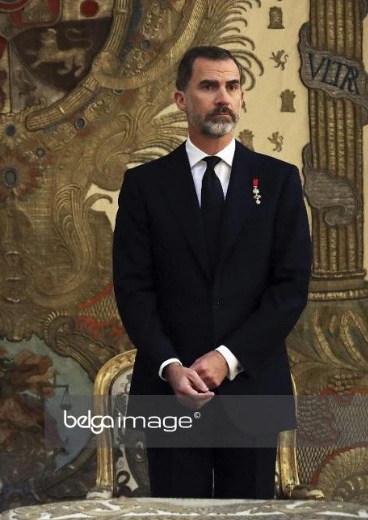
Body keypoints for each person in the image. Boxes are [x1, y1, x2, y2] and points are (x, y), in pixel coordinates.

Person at [112, 46, 312, 498]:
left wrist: (227, 358)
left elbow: (290, 288)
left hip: (253, 390)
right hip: (172, 394)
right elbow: (133, 289)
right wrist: (169, 367)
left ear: (241, 97)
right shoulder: (145, 185)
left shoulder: (278, 180)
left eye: (232, 86)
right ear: (181, 99)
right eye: (208, 86)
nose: (223, 97)